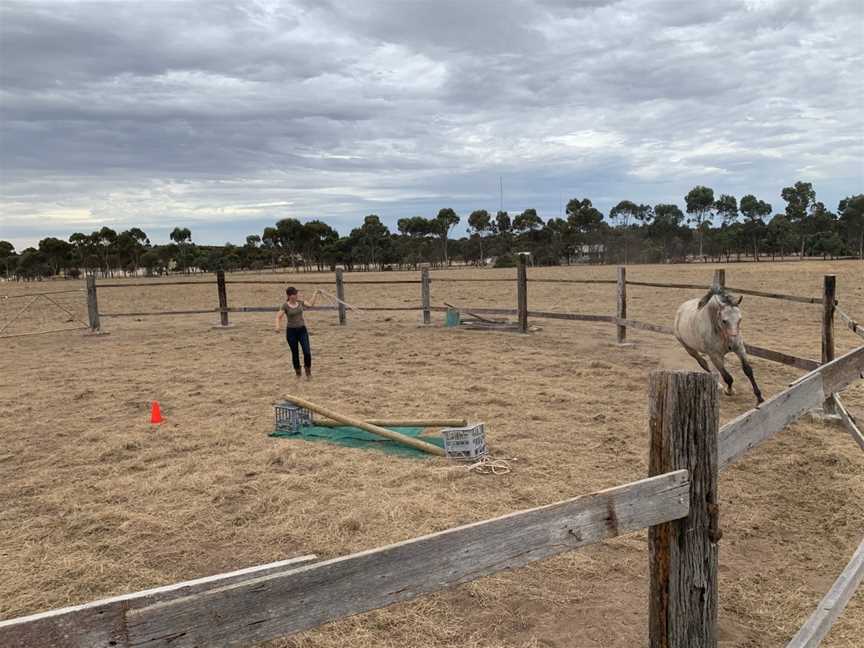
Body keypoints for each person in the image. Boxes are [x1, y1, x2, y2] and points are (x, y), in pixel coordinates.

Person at [275, 286, 320, 378]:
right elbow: (278, 316)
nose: (296, 296)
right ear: (289, 296)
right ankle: (298, 372)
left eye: (296, 294)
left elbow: (310, 304)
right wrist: (278, 327)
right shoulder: (285, 305)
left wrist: (315, 294)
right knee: (295, 353)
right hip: (291, 332)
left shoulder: (300, 303)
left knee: (307, 351)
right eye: (293, 294)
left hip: (302, 330)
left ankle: (308, 371)